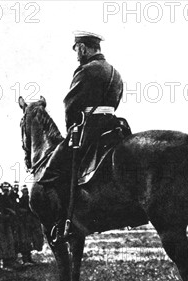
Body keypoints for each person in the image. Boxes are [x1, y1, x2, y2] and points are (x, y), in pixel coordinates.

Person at [39, 31, 125, 242]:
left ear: (84, 48)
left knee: (51, 172)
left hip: (89, 127)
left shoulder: (86, 70)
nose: (77, 54)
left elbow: (71, 104)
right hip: (112, 125)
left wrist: (72, 129)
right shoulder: (115, 72)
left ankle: (66, 222)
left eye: (77, 49)